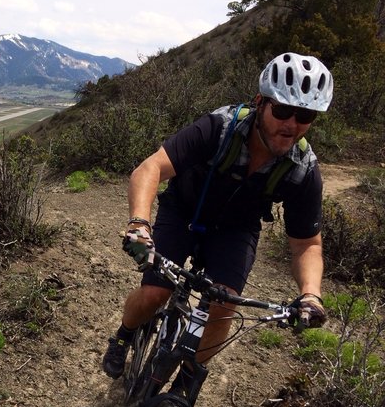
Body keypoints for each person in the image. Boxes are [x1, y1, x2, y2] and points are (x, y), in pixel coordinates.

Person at [103, 52, 332, 380]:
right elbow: (150, 168)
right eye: (283, 110)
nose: (292, 124)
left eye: (306, 114)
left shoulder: (303, 170)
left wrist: (310, 293)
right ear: (260, 103)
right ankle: (124, 335)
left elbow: (307, 243)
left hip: (235, 230)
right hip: (183, 210)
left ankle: (186, 382)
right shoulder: (220, 127)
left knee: (223, 308)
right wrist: (139, 224)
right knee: (157, 292)